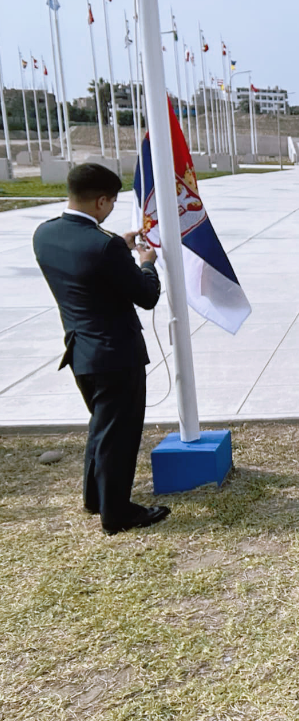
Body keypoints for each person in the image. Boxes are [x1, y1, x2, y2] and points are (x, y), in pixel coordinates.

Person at [31, 163, 170, 536]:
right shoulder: (104, 245)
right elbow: (147, 296)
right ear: (101, 200)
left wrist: (116, 248)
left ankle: (97, 498)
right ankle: (118, 513)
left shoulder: (45, 234)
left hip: (80, 351)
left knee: (101, 429)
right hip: (115, 355)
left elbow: (86, 268)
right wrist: (145, 263)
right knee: (119, 435)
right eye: (110, 203)